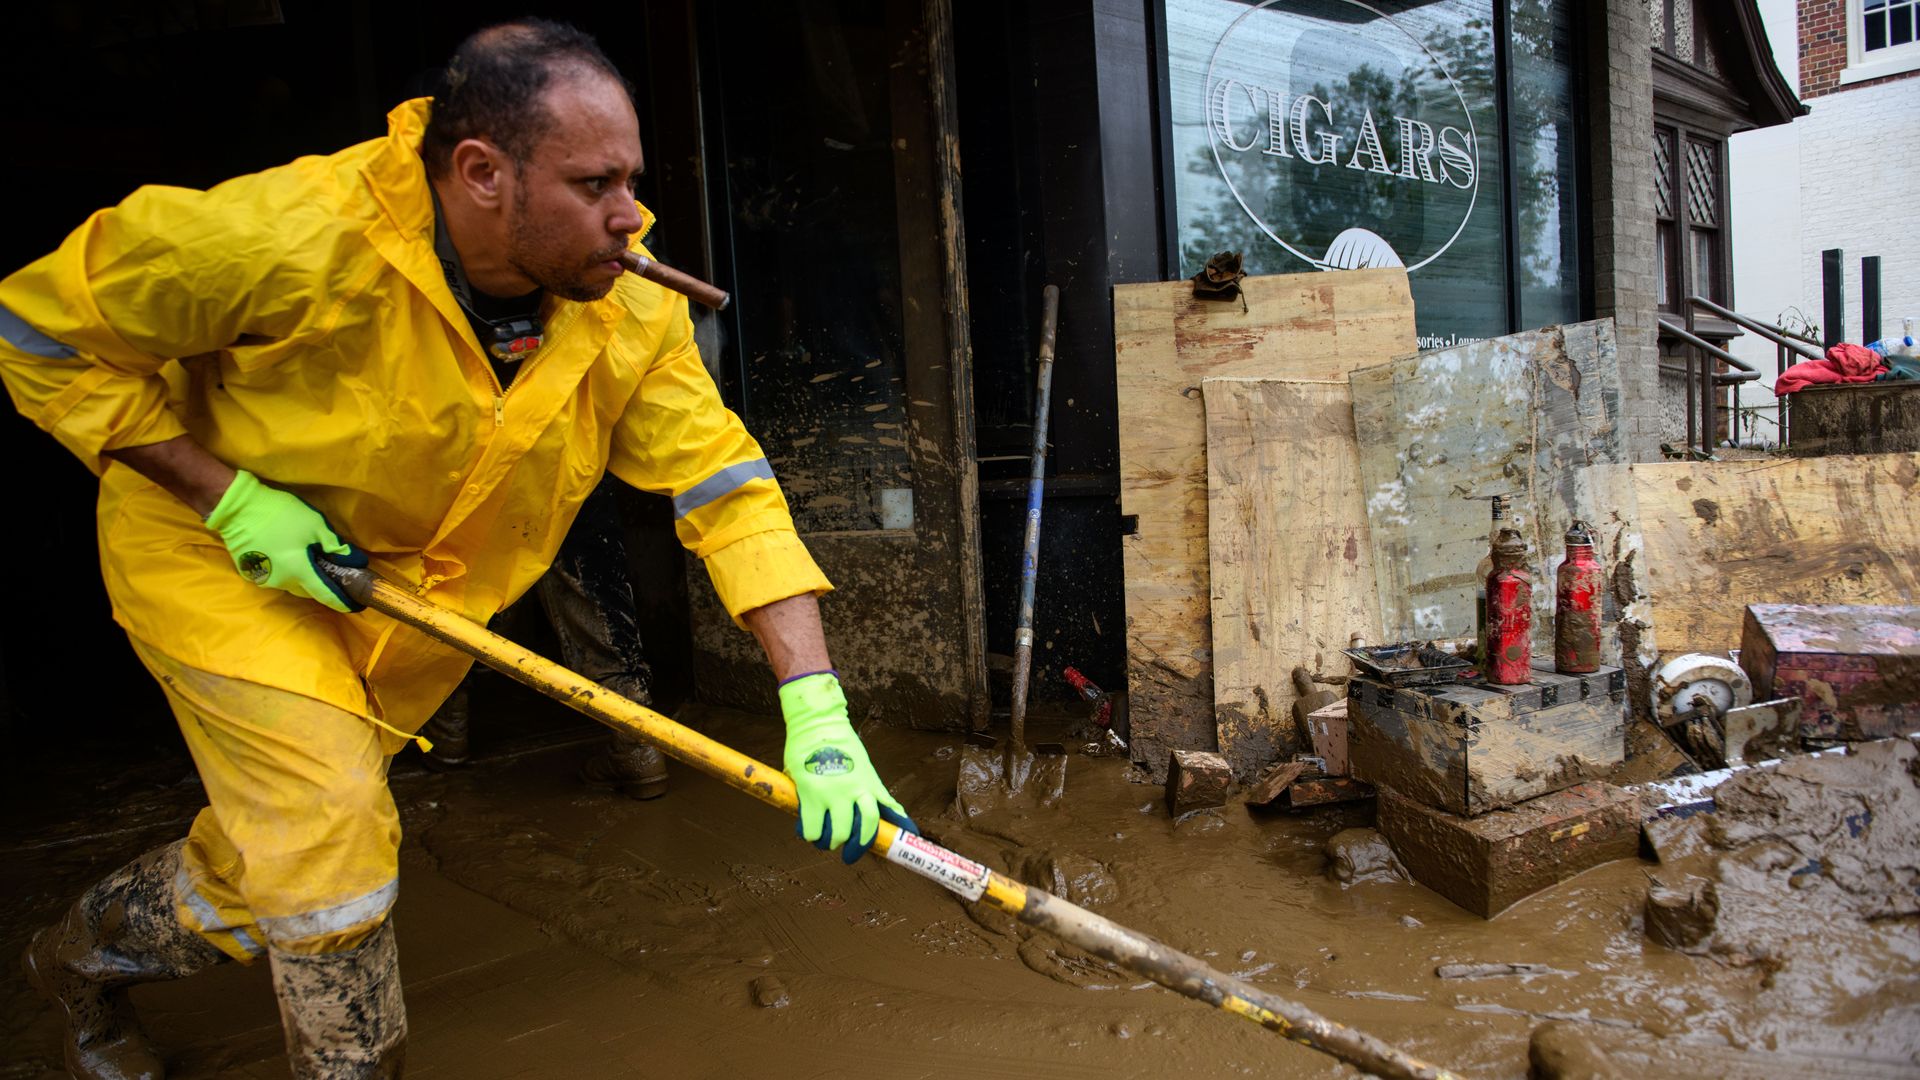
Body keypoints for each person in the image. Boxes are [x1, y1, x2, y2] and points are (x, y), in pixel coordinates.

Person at [0, 19, 914, 1079]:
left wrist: (817, 708)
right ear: (483, 173)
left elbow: (726, 489)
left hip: (401, 601)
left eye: (634, 180)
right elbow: (37, 330)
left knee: (269, 867)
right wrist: (232, 497)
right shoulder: (289, 234)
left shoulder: (624, 298)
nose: (631, 219)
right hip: (220, 563)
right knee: (332, 847)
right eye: (594, 184)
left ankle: (74, 964)